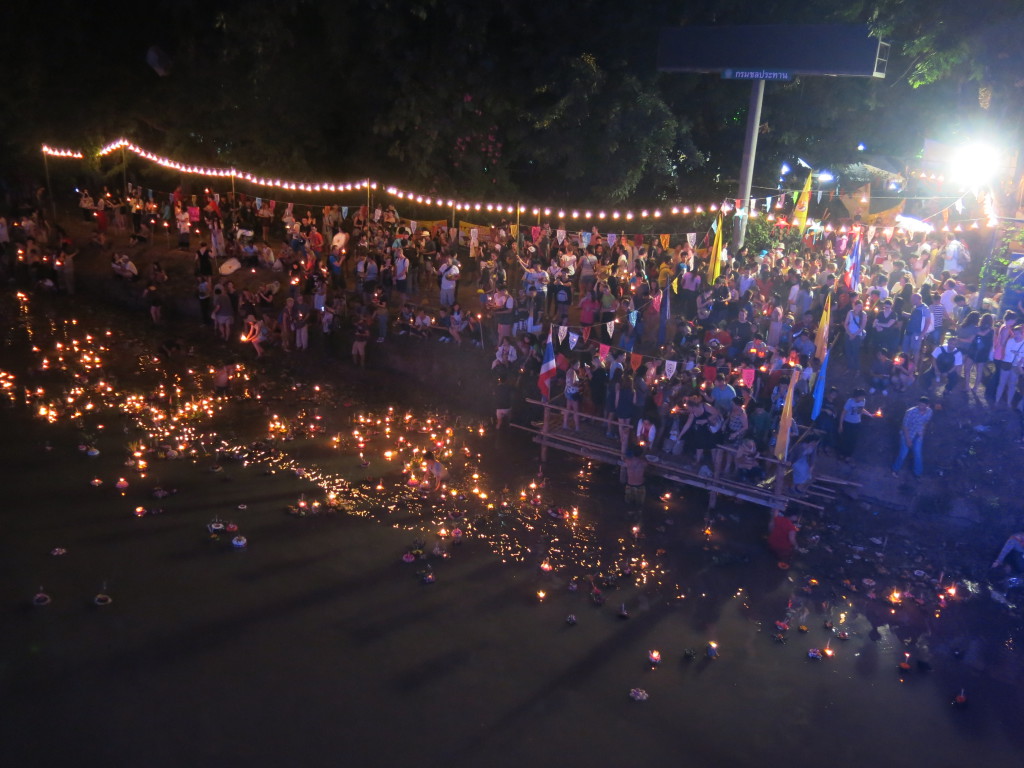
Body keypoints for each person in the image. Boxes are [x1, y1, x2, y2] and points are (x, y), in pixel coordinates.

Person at [891, 396, 933, 479]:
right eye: (919, 404)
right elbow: (904, 426)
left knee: (918, 454)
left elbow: (925, 422)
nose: (920, 406)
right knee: (903, 454)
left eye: (922, 405)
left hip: (918, 435)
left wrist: (922, 432)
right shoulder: (910, 412)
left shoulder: (929, 412)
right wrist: (908, 440)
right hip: (907, 434)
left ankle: (918, 473)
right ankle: (895, 469)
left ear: (927, 405)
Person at [838, 388, 874, 463]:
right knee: (845, 439)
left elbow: (861, 410)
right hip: (848, 423)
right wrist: (840, 424)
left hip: (857, 423)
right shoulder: (850, 402)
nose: (863, 398)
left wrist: (869, 414)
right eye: (862, 396)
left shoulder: (863, 401)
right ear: (857, 396)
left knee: (853, 440)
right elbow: (843, 413)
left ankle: (848, 455)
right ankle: (841, 454)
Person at [623, 445, 647, 514]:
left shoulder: (627, 461)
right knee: (639, 505)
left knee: (628, 503)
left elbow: (624, 457)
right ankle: (638, 515)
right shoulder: (643, 463)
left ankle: (628, 514)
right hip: (640, 486)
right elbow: (647, 465)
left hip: (629, 485)